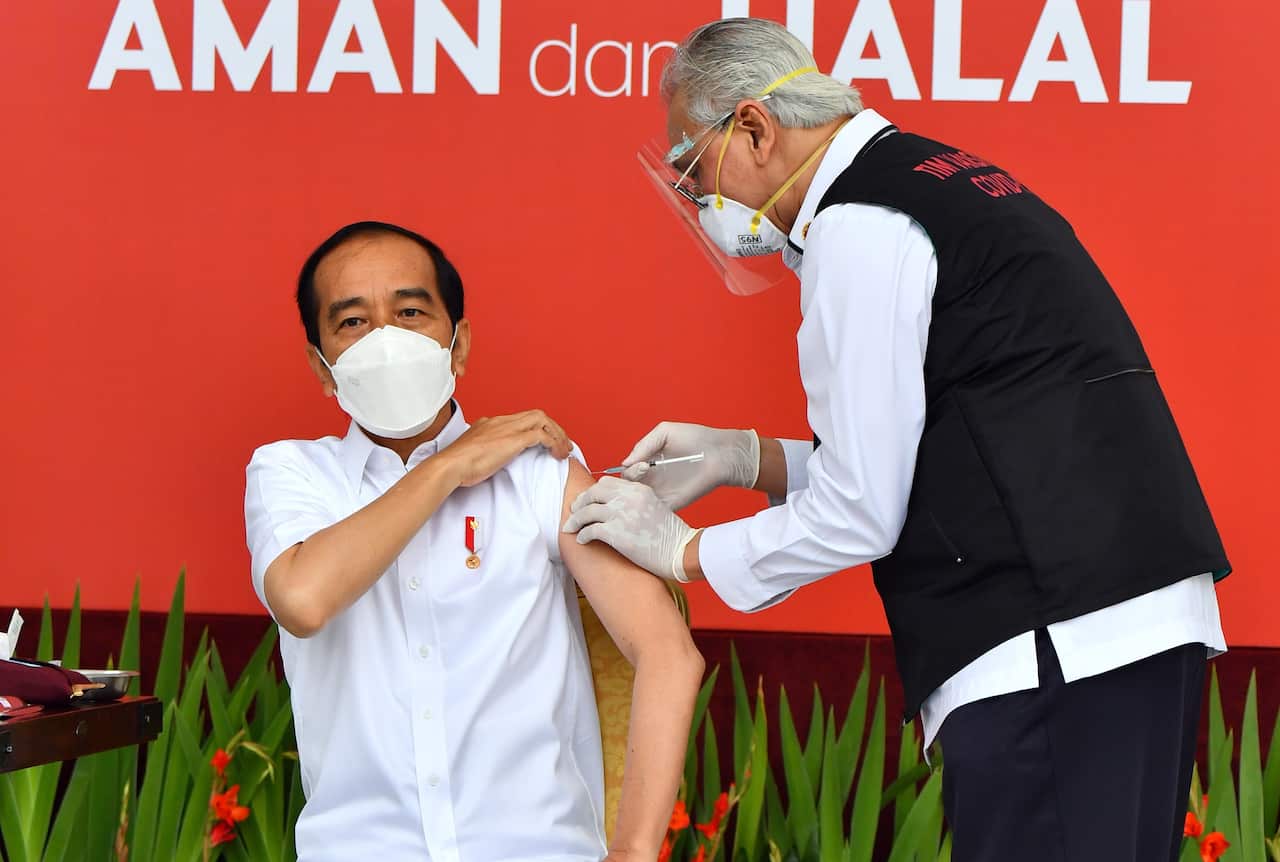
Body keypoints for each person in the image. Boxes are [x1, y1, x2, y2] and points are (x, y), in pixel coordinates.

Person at [561, 18, 1230, 862]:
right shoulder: (939, 178)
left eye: (695, 170)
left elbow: (864, 511)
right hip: (1122, 623)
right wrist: (744, 459)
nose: (700, 204)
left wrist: (687, 552)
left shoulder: (861, 224)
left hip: (1048, 643)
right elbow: (948, 452)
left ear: (755, 128)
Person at [244, 221, 703, 862]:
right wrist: (449, 466)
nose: (385, 339)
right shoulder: (292, 474)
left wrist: (629, 854)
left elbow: (667, 652)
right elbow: (302, 600)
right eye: (352, 323)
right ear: (323, 368)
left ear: (458, 345)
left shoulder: (539, 473)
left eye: (410, 311)